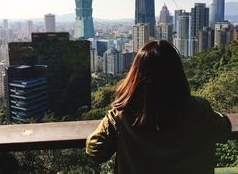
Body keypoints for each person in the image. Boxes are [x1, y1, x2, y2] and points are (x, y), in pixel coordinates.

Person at [86, 40, 231, 174]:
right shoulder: (199, 109)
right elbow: (224, 129)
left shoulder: (121, 115)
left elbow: (95, 152)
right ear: (177, 73)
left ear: (136, 74)